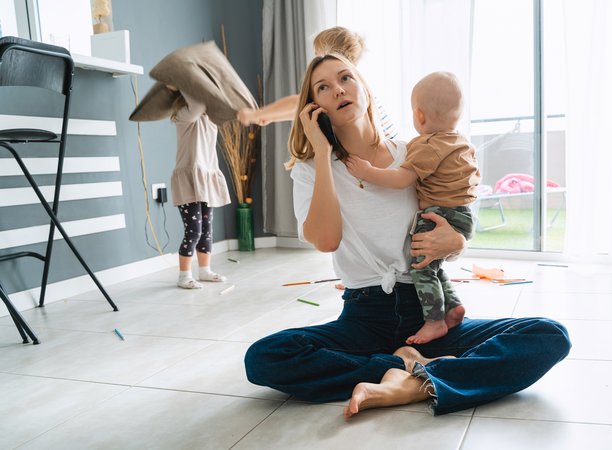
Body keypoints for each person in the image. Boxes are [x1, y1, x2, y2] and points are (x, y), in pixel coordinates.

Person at [243, 53, 571, 418]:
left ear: (364, 89)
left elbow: (452, 215)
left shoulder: (414, 153)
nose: (338, 89)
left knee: (547, 335)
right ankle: (409, 371)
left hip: (427, 315)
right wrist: (321, 153)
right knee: (264, 357)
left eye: (345, 78)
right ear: (314, 107)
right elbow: (326, 240)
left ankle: (412, 381)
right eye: (323, 87)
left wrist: (458, 243)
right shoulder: (310, 171)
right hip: (363, 316)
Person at [346, 71, 479, 344]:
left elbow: (401, 179)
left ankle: (433, 321)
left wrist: (368, 171)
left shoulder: (427, 145)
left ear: (419, 115)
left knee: (421, 267)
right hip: (464, 215)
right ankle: (453, 307)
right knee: (434, 266)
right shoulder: (461, 141)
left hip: (437, 213)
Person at [237, 26, 397, 139]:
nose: (315, 60)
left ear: (329, 55)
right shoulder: (352, 86)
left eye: (317, 54)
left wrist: (256, 114)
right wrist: (272, 117)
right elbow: (308, 108)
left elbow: (297, 102)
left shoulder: (356, 89)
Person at [167, 85, 231, 289]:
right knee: (193, 230)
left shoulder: (208, 119)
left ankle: (205, 270)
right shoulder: (183, 116)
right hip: (188, 179)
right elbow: (197, 104)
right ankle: (183, 275)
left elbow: (219, 106)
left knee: (207, 230)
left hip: (205, 177)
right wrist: (185, 86)